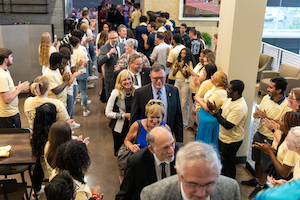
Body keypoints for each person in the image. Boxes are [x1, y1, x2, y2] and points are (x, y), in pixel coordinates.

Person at [242, 76, 292, 194]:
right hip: (259, 133)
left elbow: (283, 125)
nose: (268, 89)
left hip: (271, 139)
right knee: (257, 160)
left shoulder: (286, 106)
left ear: (279, 90)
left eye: (270, 87)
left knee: (266, 165)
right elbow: (260, 110)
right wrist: (257, 113)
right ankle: (256, 179)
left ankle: (261, 186)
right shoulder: (266, 98)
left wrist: (266, 117)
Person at [140, 141, 240, 200]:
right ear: (179, 174)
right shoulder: (153, 195)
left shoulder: (231, 189)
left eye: (209, 183)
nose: (201, 194)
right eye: (192, 184)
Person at [115, 126, 182, 200]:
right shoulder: (136, 162)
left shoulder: (183, 153)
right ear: (152, 149)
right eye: (165, 147)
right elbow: (123, 196)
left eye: (172, 144)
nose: (172, 151)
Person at [251, 111, 300, 198]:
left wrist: (270, 152)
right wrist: (269, 149)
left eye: (282, 120)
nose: (279, 122)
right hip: (282, 180)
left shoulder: (291, 147)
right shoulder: (285, 136)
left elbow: (284, 172)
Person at [130, 64, 183, 142]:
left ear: (166, 76)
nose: (159, 81)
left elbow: (178, 119)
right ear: (150, 77)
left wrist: (179, 143)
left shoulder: (174, 91)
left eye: (161, 78)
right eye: (156, 78)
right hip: (146, 139)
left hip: (166, 137)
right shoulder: (140, 93)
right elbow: (134, 118)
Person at [207, 80, 248, 179]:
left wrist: (216, 114)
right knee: (223, 162)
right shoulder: (230, 99)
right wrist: (215, 110)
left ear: (236, 92)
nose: (226, 90)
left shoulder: (239, 107)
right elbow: (222, 110)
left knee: (229, 164)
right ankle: (222, 179)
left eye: (229, 89)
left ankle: (230, 184)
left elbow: (228, 125)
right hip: (223, 137)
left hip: (231, 140)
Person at [105, 69, 135, 183]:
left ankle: (131, 173)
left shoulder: (136, 91)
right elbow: (108, 112)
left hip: (133, 127)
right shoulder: (115, 93)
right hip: (119, 128)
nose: (127, 81)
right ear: (120, 81)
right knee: (120, 152)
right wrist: (123, 116)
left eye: (129, 79)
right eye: (125, 80)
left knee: (133, 150)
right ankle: (121, 175)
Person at [31, 103, 58, 199]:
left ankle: (37, 190)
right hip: (54, 170)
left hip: (42, 166)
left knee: (37, 166)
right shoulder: (54, 136)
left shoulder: (37, 133)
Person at [195, 71, 228, 149]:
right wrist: (202, 99)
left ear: (217, 82)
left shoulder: (219, 94)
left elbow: (207, 107)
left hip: (209, 120)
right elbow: (207, 99)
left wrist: (199, 100)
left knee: (206, 144)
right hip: (204, 119)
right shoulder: (215, 88)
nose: (211, 77)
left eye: (213, 76)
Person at [0, 48, 30, 128]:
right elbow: (6, 99)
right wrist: (19, 89)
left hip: (12, 113)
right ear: (6, 60)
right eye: (11, 56)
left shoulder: (5, 71)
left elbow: (7, 89)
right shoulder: (2, 76)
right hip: (8, 116)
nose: (12, 58)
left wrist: (18, 87)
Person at [189, 63, 217, 138]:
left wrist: (197, 85)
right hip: (208, 109)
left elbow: (198, 97)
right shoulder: (213, 83)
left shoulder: (205, 83)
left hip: (201, 107)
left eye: (204, 70)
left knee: (201, 128)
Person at [98, 31, 125, 100]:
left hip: (122, 75)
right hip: (110, 77)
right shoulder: (104, 48)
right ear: (109, 39)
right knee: (110, 98)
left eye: (116, 37)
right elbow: (100, 61)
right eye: (112, 38)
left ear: (118, 37)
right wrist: (108, 54)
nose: (114, 39)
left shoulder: (123, 46)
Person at [68, 36, 90, 116]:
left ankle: (72, 111)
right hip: (82, 72)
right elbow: (86, 63)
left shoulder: (69, 52)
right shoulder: (81, 50)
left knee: (73, 93)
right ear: (78, 43)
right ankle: (84, 110)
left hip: (73, 74)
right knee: (83, 92)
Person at [172, 48, 194, 127]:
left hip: (185, 83)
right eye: (181, 53)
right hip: (177, 81)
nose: (182, 55)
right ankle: (176, 119)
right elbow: (174, 73)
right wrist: (177, 67)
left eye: (184, 53)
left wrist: (180, 68)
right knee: (176, 101)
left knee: (184, 103)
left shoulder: (189, 63)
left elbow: (186, 75)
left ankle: (184, 122)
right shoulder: (179, 61)